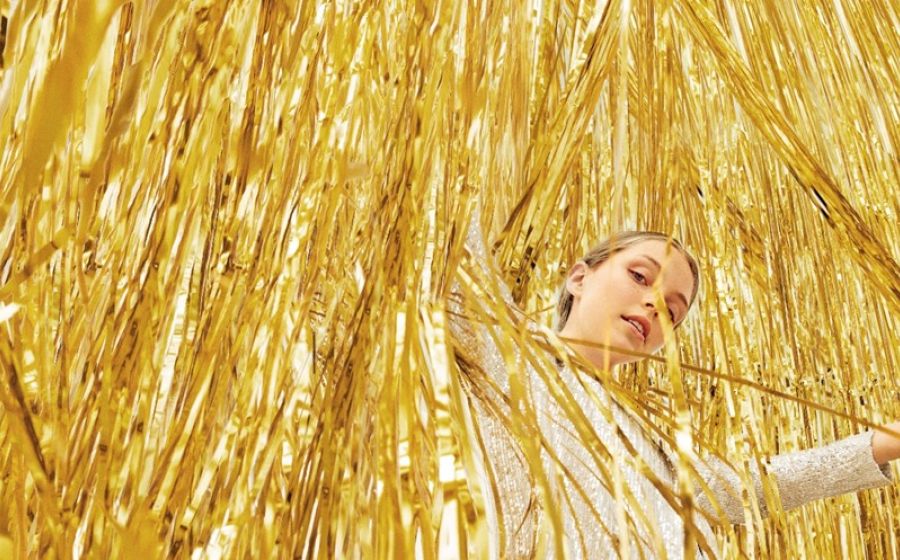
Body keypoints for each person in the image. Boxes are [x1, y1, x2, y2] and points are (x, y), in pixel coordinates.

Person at [447, 205, 897, 559]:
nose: (653, 305)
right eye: (640, 276)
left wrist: (883, 443)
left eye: (673, 311)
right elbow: (448, 210)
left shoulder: (653, 436)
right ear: (579, 278)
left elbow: (748, 487)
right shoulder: (503, 346)